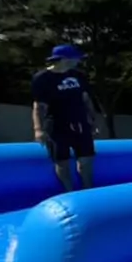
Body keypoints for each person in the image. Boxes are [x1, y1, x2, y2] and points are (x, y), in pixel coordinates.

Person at [31, 44, 104, 192]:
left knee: (86, 159)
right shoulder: (42, 78)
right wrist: (38, 129)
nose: (78, 61)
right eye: (75, 58)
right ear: (64, 59)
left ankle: (88, 190)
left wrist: (94, 119)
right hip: (56, 125)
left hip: (80, 122)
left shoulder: (78, 75)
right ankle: (69, 191)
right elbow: (39, 106)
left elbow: (86, 98)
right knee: (62, 161)